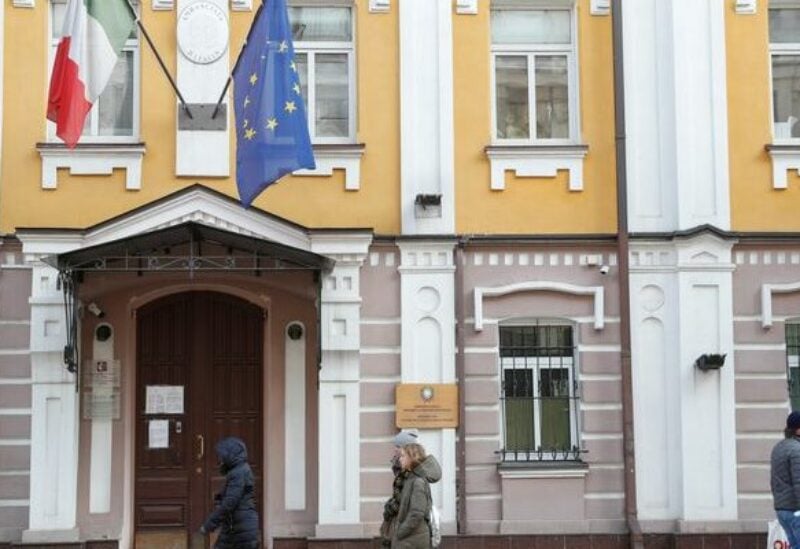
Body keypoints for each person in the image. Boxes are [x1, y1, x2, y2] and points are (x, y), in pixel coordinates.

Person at [199, 437, 260, 549]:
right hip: (235, 527)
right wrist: (221, 496)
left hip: (240, 529)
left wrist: (209, 524)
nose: (220, 460)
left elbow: (229, 503)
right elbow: (236, 495)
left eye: (222, 456)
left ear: (230, 455)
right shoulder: (239, 470)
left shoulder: (238, 473)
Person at [391, 442, 441, 549]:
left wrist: (401, 532)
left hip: (413, 539)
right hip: (411, 537)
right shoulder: (410, 478)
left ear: (412, 458)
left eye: (403, 456)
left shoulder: (418, 481)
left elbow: (416, 513)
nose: (400, 459)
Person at [380, 430, 419, 547]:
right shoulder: (399, 466)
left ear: (405, 449)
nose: (395, 449)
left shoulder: (409, 470)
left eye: (397, 446)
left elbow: (404, 497)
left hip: (403, 520)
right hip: (398, 518)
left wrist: (390, 508)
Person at [771, 411, 800, 548]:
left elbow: (773, 481)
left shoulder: (778, 447)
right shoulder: (797, 450)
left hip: (782, 509)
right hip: (795, 510)